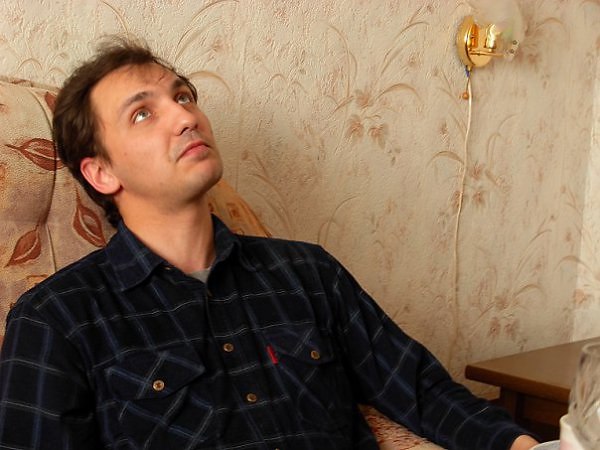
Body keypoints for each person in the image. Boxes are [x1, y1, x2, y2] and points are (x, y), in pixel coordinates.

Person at [0, 37, 539, 450]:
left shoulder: (309, 273)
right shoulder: (58, 319)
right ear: (101, 173)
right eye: (143, 113)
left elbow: (420, 389)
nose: (186, 117)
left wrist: (521, 445)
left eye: (183, 96)